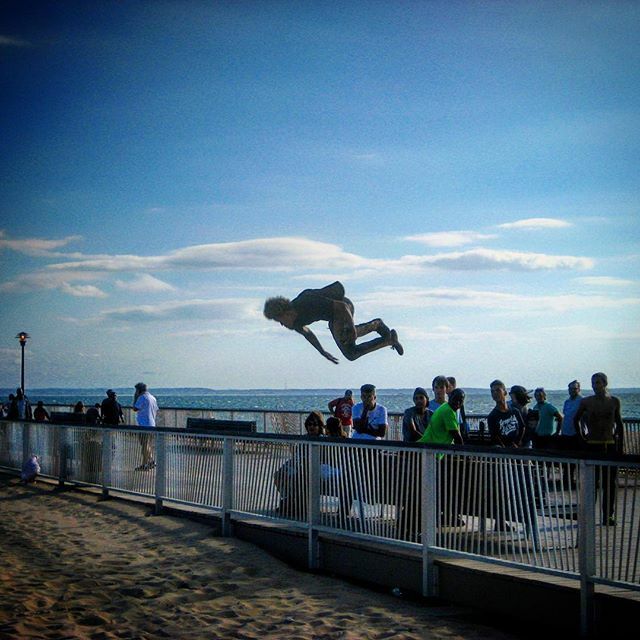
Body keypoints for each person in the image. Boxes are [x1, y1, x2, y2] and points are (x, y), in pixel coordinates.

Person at [263, 281, 403, 364]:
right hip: (333, 318)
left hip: (343, 307)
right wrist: (322, 351)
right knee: (351, 353)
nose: (281, 325)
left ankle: (377, 325)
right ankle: (388, 339)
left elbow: (341, 307)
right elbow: (308, 335)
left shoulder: (306, 301)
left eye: (279, 320)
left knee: (350, 342)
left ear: (286, 313)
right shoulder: (296, 323)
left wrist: (352, 329)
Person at [574, 372, 624, 526]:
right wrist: (582, 438)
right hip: (592, 445)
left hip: (609, 445)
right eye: (593, 383)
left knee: (609, 484)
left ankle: (608, 515)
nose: (595, 386)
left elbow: (619, 424)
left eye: (597, 383)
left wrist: (620, 446)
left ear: (604, 383)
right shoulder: (586, 402)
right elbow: (576, 420)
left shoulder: (614, 401)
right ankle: (588, 514)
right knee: (591, 483)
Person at [559, 380, 585, 487]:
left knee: (577, 458)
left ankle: (578, 480)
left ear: (579, 389)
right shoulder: (567, 402)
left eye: (575, 389)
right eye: (571, 389)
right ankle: (566, 480)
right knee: (566, 458)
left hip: (577, 433)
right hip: (566, 433)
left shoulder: (582, 401)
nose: (572, 391)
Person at [487, 380, 525, 448]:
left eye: (498, 390)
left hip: (517, 449)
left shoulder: (515, 411)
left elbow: (522, 427)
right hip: (504, 452)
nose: (495, 393)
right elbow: (495, 437)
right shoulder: (492, 416)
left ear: (504, 392)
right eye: (492, 391)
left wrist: (517, 442)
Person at [133, 382, 159, 471]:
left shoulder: (142, 397)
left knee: (144, 445)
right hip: (152, 424)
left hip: (144, 425)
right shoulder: (153, 398)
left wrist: (135, 397)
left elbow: (135, 408)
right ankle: (151, 461)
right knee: (148, 444)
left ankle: (145, 464)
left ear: (139, 390)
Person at [447, 376, 469, 441]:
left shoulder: (456, 400)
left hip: (458, 425)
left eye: (448, 386)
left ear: (453, 386)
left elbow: (462, 415)